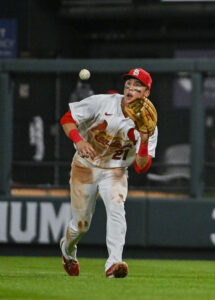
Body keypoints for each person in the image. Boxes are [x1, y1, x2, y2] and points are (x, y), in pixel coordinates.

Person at [59, 68, 158, 278]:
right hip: (85, 165)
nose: (130, 89)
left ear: (146, 93)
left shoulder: (149, 124)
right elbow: (67, 118)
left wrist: (145, 139)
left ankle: (113, 264)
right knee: (80, 226)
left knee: (116, 208)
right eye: (128, 84)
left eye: (136, 86)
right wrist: (79, 140)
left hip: (115, 169)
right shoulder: (103, 102)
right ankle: (68, 251)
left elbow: (142, 166)